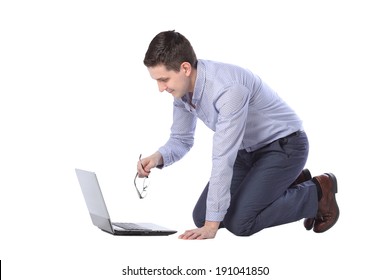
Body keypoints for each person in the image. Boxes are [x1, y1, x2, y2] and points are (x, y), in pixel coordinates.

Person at [136, 30, 339, 240]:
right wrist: (157, 158)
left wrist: (211, 227)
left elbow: (223, 157)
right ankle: (289, 183)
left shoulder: (228, 89)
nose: (160, 88)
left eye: (164, 79)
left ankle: (316, 193)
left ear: (185, 68)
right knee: (202, 216)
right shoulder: (181, 91)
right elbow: (181, 139)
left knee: (239, 223)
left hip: (285, 146)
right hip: (248, 151)